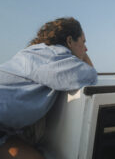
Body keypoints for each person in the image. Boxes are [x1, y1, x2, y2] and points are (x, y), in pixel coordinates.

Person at [0, 17, 98, 159]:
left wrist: (80, 51)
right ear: (69, 41)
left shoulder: (37, 53)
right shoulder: (54, 56)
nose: (86, 48)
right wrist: (83, 56)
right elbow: (90, 75)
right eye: (83, 42)